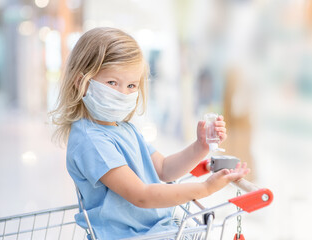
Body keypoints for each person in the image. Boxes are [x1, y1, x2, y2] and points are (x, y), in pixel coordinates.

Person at [50, 27, 250, 240]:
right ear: (80, 82)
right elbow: (141, 196)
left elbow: (164, 169)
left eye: (131, 85)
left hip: (154, 231)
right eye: (112, 83)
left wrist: (199, 146)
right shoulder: (91, 141)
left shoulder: (124, 128)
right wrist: (205, 188)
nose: (123, 93)